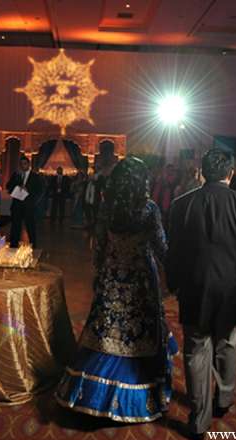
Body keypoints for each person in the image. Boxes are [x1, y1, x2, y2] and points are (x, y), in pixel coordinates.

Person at [55, 156, 178, 422]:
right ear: (140, 180)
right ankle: (138, 396)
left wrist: (97, 275)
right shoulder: (149, 209)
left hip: (112, 276)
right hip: (141, 279)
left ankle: (91, 392)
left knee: (107, 329)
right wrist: (183, 270)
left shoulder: (107, 207)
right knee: (139, 332)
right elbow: (161, 249)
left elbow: (99, 247)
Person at [166, 149, 236, 440]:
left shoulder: (181, 204)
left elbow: (174, 252)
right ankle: (224, 401)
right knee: (226, 343)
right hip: (231, 290)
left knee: (196, 352)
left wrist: (175, 286)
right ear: (230, 174)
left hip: (195, 289)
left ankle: (198, 422)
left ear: (202, 172)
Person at [5, 156, 42, 248]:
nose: (23, 166)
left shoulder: (34, 177)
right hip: (17, 204)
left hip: (28, 205)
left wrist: (28, 189)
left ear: (29, 165)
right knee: (16, 225)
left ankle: (33, 243)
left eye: (25, 164)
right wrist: (16, 178)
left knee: (30, 225)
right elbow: (8, 186)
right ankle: (14, 243)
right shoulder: (16, 175)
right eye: (21, 164)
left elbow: (39, 190)